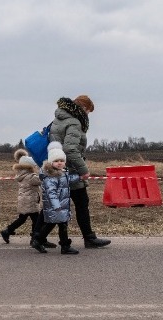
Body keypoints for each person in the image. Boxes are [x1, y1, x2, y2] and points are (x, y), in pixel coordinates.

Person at [49, 95, 111, 249]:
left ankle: (37, 236)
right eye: (88, 111)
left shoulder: (59, 118)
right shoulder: (74, 122)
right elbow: (70, 149)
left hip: (58, 167)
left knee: (55, 204)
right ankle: (89, 238)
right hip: (71, 169)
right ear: (83, 108)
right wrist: (83, 169)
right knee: (81, 203)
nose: (88, 115)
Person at [0, 149, 57, 248]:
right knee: (37, 220)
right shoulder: (31, 177)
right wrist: (48, 171)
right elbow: (42, 180)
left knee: (22, 219)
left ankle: (8, 230)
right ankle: (37, 238)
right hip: (30, 201)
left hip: (24, 200)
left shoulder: (21, 175)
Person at [31, 142, 81, 254]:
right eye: (56, 161)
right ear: (51, 162)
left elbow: (69, 180)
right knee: (56, 224)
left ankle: (40, 241)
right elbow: (51, 193)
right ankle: (64, 246)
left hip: (61, 206)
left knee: (57, 224)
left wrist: (79, 177)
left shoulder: (62, 173)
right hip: (55, 206)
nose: (59, 163)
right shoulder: (50, 176)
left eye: (61, 161)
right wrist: (56, 205)